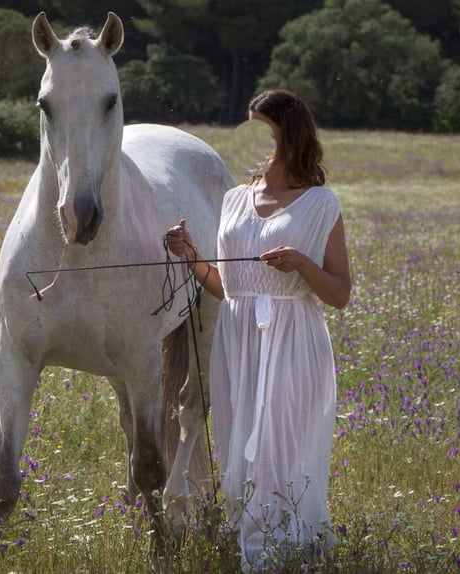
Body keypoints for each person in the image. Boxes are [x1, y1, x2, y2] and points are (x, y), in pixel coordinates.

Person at [167, 89, 351, 572]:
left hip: (291, 337)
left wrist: (303, 264)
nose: (256, 141)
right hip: (237, 336)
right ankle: (259, 542)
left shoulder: (320, 203)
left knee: (279, 446)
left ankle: (278, 552)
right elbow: (227, 287)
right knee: (238, 444)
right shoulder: (233, 200)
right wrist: (190, 257)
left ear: (287, 135)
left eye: (264, 130)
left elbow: (339, 293)